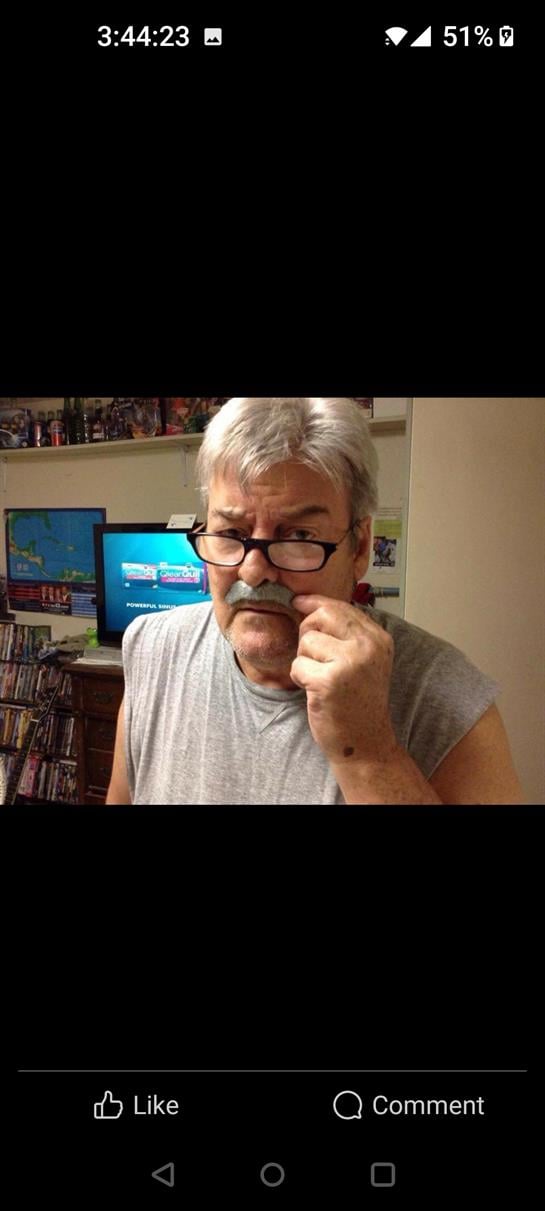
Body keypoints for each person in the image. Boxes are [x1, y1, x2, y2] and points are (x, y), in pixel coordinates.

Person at [106, 397, 522, 805]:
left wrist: (371, 754)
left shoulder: (445, 695)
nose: (253, 572)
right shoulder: (152, 646)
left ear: (359, 548)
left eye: (299, 536)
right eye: (231, 534)